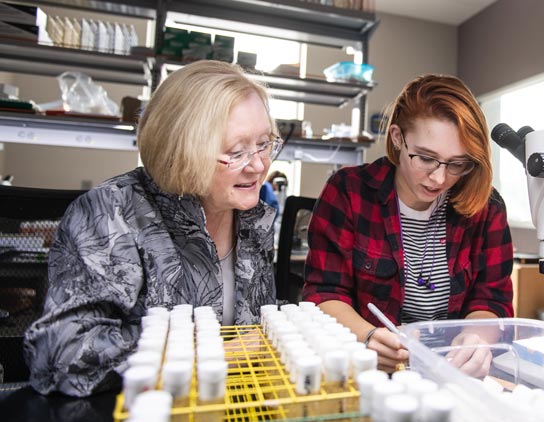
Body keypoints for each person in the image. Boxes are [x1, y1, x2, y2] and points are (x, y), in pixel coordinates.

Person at [23, 60, 283, 397]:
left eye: (265, 144)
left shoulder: (252, 220)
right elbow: (61, 353)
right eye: (236, 152)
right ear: (183, 149)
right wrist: (211, 355)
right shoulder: (110, 213)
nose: (260, 165)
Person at [302, 74, 514, 376]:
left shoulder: (485, 207)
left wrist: (477, 339)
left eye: (456, 164)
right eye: (426, 158)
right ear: (398, 137)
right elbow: (324, 293)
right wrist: (369, 337)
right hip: (369, 374)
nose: (439, 179)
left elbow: (492, 299)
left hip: (452, 373)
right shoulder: (349, 191)